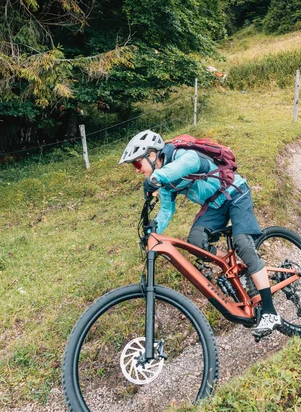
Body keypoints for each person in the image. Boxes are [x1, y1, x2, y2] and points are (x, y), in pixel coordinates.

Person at [118, 130, 282, 339]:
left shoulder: (180, 155)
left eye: (136, 164)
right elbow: (167, 210)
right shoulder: (166, 184)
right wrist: (153, 229)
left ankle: (270, 311)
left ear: (151, 155)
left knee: (242, 243)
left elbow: (192, 163)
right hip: (214, 205)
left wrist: (156, 177)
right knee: (195, 242)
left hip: (234, 192)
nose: (136, 170)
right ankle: (236, 267)